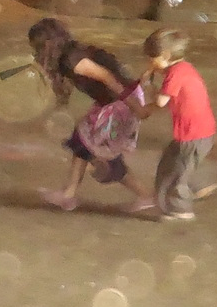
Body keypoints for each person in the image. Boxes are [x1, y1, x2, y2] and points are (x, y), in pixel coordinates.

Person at [26, 18, 154, 213]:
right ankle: (68, 194)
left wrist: (133, 105)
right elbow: (68, 86)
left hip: (121, 102)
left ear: (47, 44)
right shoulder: (66, 57)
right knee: (81, 140)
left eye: (38, 47)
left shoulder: (73, 59)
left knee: (104, 157)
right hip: (113, 101)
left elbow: (107, 77)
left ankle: (146, 195)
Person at [139, 29, 217, 221]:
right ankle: (197, 185)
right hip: (198, 133)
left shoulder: (175, 74)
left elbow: (161, 102)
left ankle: (181, 209)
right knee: (171, 166)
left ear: (166, 55)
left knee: (174, 174)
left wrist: (147, 86)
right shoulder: (183, 69)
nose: (149, 63)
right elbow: (173, 101)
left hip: (192, 135)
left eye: (152, 59)